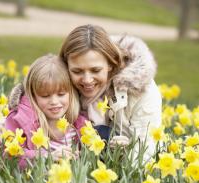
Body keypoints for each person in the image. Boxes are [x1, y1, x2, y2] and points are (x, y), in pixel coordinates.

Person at [9, 24, 162, 162]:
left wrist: (120, 158)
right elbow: (45, 81)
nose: (87, 80)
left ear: (111, 63)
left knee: (103, 132)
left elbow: (146, 151)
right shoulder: (64, 85)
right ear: (67, 66)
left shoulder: (142, 89)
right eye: (77, 71)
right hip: (74, 162)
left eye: (95, 70)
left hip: (118, 164)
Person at [0, 54, 86, 169]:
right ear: (32, 96)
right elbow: (6, 157)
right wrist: (44, 157)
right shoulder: (20, 122)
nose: (54, 101)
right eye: (45, 96)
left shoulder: (79, 125)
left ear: (71, 93)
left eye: (61, 94)